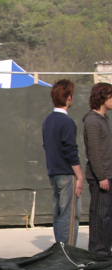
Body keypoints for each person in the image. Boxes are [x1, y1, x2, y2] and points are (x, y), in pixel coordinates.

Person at [42, 79, 84, 245]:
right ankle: (68, 252)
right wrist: (79, 176)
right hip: (67, 173)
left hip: (53, 172)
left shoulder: (48, 120)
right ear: (68, 98)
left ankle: (60, 249)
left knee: (59, 213)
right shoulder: (67, 122)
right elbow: (70, 151)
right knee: (70, 215)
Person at [83, 82, 112, 255]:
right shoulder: (92, 121)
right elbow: (93, 152)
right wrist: (101, 177)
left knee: (107, 215)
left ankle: (106, 249)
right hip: (100, 177)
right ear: (103, 97)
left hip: (109, 174)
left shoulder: (104, 119)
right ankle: (98, 251)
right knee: (100, 214)